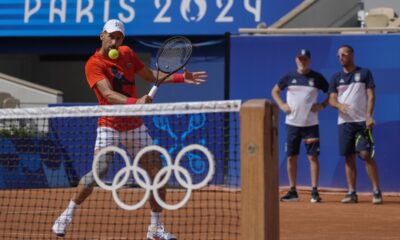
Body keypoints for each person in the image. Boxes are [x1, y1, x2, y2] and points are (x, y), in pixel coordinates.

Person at [52, 19, 207, 239]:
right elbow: (107, 95)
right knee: (100, 171)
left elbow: (151, 75)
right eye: (111, 36)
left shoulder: (127, 53)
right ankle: (66, 215)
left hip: (134, 125)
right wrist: (136, 102)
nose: (115, 41)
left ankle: (155, 228)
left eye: (119, 37)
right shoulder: (94, 64)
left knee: (157, 172)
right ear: (102, 35)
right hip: (109, 125)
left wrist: (182, 77)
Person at [271, 49, 329, 203]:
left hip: (311, 124)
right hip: (292, 124)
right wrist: (282, 104)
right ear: (296, 60)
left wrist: (322, 105)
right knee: (291, 157)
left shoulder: (317, 78)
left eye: (305, 59)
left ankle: (314, 191)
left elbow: (332, 93)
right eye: (300, 59)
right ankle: (292, 191)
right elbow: (275, 91)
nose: (302, 61)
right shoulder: (289, 77)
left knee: (312, 157)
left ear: (309, 60)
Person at [328, 45, 382, 204]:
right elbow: (331, 99)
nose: (341, 58)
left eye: (343, 54)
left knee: (365, 155)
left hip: (361, 122)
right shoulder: (335, 77)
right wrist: (339, 105)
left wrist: (368, 116)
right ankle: (352, 193)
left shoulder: (364, 73)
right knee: (349, 157)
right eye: (338, 56)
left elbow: (371, 96)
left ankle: (376, 190)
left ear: (352, 55)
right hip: (344, 123)